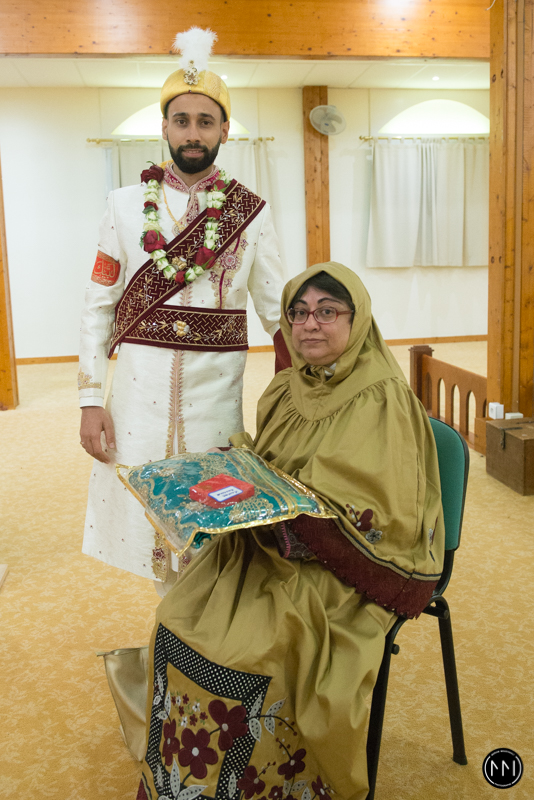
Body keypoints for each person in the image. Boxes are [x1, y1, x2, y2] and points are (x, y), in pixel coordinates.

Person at [135, 263, 444, 800]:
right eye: (298, 313)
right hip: (269, 544)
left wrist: (290, 516)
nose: (309, 324)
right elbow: (269, 463)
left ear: (356, 320)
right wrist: (225, 475)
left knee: (249, 652)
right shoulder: (287, 386)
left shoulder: (382, 399)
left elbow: (388, 513)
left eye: (327, 311)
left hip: (337, 565)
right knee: (176, 617)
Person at [78, 28, 289, 590]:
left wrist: (300, 396)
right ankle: (170, 630)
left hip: (216, 400)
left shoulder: (251, 213)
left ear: (224, 130)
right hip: (137, 398)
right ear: (165, 127)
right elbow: (97, 309)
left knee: (212, 524)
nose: (193, 133)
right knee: (147, 517)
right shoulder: (123, 206)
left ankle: (201, 632)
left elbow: (278, 313)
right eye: (182, 120)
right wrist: (90, 401)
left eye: (206, 121)